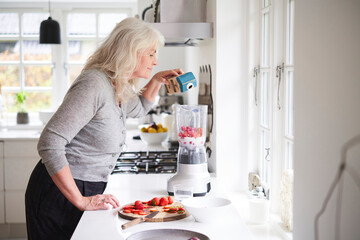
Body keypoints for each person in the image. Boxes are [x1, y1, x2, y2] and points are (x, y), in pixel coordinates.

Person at [25, 17, 184, 240]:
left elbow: (138, 109)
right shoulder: (94, 84)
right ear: (131, 51)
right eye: (150, 53)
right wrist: (80, 199)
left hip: (86, 188)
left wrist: (157, 81)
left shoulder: (116, 83)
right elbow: (50, 143)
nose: (155, 61)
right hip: (60, 192)